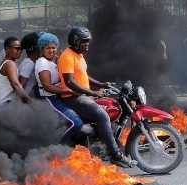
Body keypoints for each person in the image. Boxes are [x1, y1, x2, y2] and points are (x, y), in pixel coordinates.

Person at [58, 26, 136, 168]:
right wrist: (93, 93)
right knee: (102, 116)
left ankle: (103, 148)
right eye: (84, 41)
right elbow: (70, 81)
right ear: (75, 41)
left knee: (109, 107)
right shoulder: (67, 56)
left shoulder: (79, 56)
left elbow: (83, 75)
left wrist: (101, 84)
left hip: (83, 96)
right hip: (72, 98)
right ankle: (116, 155)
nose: (87, 44)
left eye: (88, 41)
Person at [34, 32, 84, 146]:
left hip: (57, 97)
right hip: (49, 99)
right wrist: (69, 91)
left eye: (53, 47)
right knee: (75, 123)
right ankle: (54, 147)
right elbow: (48, 86)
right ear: (42, 49)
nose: (51, 50)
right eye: (48, 48)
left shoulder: (50, 62)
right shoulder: (42, 62)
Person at [0, 36, 31, 108]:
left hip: (0, 105)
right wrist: (31, 102)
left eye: (21, 49)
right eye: (17, 48)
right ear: (7, 49)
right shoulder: (9, 64)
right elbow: (16, 85)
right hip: (4, 105)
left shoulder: (5, 63)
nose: (19, 51)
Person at [18, 31, 42, 96]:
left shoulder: (34, 62)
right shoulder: (29, 64)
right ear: (36, 48)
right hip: (23, 102)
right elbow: (20, 88)